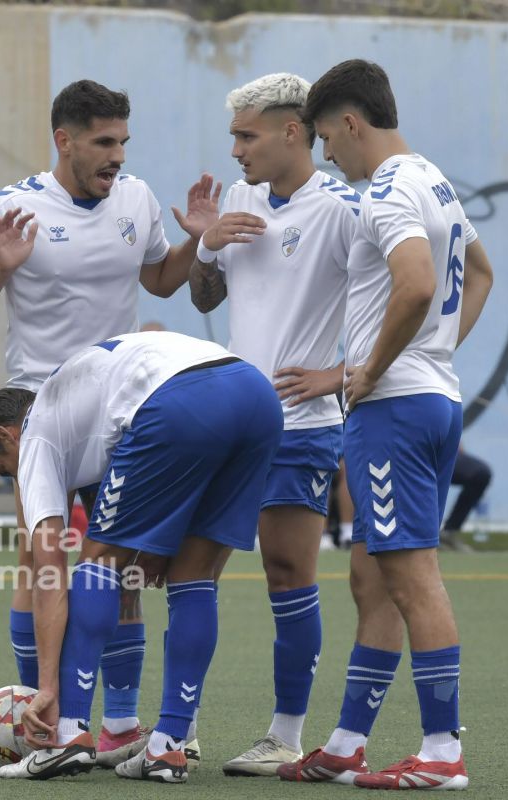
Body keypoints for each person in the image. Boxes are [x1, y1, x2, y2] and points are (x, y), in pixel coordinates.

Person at [0, 79, 219, 765]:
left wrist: (194, 243)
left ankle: (119, 726)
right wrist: (0, 270)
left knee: (120, 568)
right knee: (40, 566)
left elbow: (160, 281)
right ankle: (41, 717)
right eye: (104, 142)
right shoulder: (13, 207)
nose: (117, 157)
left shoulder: (136, 198)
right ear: (64, 140)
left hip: (120, 407)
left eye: (123, 142)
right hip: (38, 408)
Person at [277, 60, 493, 790]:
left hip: (393, 411)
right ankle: (345, 743)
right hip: (429, 401)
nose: (326, 155)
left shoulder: (387, 192)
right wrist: (434, 354)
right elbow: (481, 271)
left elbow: (420, 284)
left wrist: (369, 371)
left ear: (348, 123)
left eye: (325, 140)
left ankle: (441, 754)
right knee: (371, 577)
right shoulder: (433, 178)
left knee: (412, 578)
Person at [0, 331, 283, 782]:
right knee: (194, 575)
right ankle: (168, 746)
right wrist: (150, 548)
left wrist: (48, 688)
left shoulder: (37, 436)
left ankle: (70, 735)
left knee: (96, 562)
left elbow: (49, 572)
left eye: (7, 469)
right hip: (257, 397)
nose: (16, 482)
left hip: (180, 397)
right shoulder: (81, 400)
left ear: (8, 434)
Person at [188, 73, 358, 776]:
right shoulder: (240, 198)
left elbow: (406, 302)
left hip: (302, 425)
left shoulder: (347, 209)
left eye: (246, 135)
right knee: (188, 571)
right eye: (233, 135)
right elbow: (207, 292)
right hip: (229, 421)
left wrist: (342, 376)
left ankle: (285, 736)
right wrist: (204, 245)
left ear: (294, 131)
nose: (235, 150)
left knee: (288, 573)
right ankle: (177, 731)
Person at [440, 445, 492, 551]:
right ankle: (421, 537)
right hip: (412, 451)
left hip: (442, 451)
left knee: (481, 473)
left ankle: (448, 533)